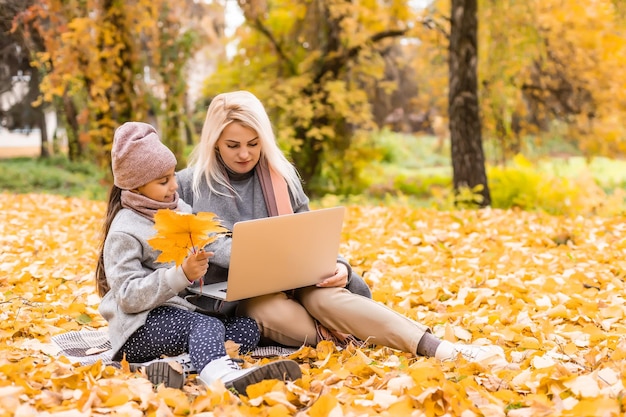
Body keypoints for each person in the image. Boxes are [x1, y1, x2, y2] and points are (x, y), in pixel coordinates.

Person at [176, 90, 506, 363]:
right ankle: (352, 334)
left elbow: (314, 235)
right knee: (269, 309)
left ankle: (443, 350)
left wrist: (340, 268)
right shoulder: (189, 185)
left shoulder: (281, 176)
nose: (245, 154)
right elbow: (174, 242)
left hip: (298, 279)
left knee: (327, 300)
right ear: (214, 141)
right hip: (241, 296)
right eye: (233, 145)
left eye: (253, 143)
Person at [94, 121, 301, 392]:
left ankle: (172, 365)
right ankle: (221, 378)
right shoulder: (126, 230)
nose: (174, 185)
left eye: (172, 176)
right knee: (204, 326)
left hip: (181, 318)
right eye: (163, 181)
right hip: (138, 327)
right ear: (136, 186)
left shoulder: (178, 209)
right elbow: (128, 297)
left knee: (247, 329)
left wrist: (259, 256)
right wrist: (180, 276)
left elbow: (212, 240)